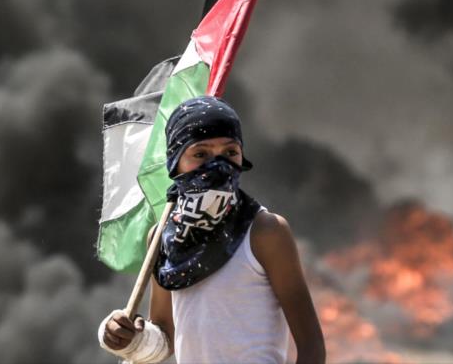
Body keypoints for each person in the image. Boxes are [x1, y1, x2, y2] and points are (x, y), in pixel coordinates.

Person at [98, 96, 325, 363]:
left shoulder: (265, 231)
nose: (217, 166)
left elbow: (311, 345)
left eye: (230, 152)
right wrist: (126, 336)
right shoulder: (162, 237)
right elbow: (165, 338)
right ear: (174, 162)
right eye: (200, 154)